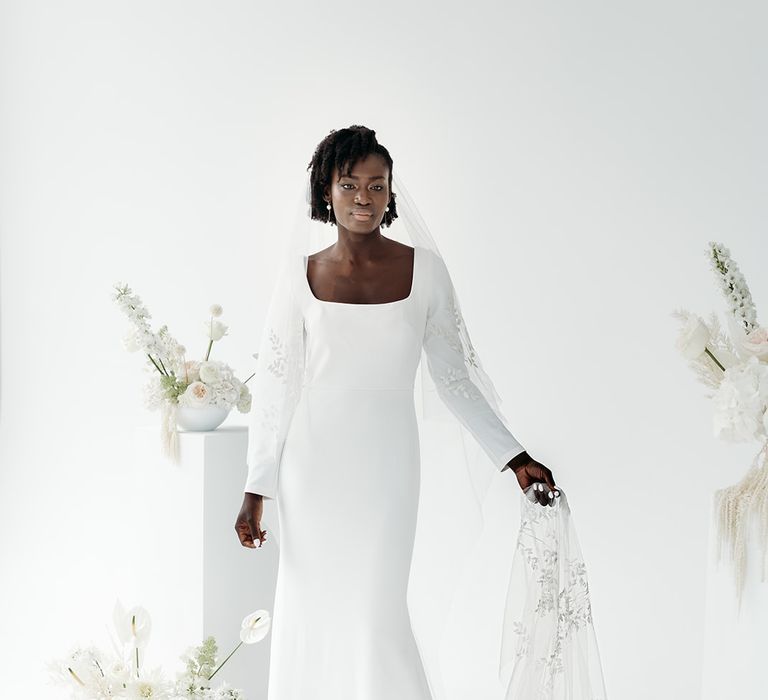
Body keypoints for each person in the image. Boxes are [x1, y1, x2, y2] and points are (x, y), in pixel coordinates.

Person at [233, 126, 601, 699]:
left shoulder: (424, 271)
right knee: (309, 606)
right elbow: (277, 385)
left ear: (390, 193)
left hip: (387, 464)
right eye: (349, 184)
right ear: (325, 191)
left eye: (376, 186)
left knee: (376, 611)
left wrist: (514, 456)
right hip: (312, 468)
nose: (363, 197)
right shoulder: (298, 274)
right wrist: (258, 486)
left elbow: (454, 379)